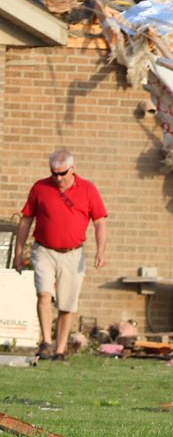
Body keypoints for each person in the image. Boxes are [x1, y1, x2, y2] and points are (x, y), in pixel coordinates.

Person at [13, 150, 108, 361]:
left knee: (67, 304)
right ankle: (46, 342)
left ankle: (60, 350)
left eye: (62, 173)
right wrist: (19, 252)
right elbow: (26, 219)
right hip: (44, 250)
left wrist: (101, 251)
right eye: (53, 173)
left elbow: (100, 221)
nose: (57, 178)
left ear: (72, 170)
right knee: (44, 294)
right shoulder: (40, 188)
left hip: (73, 254)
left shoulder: (88, 190)